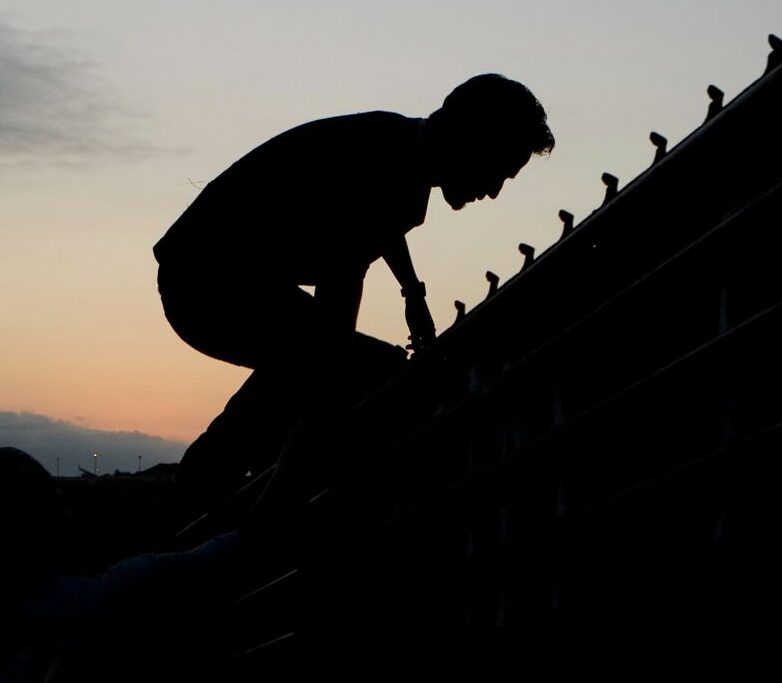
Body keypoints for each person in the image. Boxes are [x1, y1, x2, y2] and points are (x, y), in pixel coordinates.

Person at [156, 74, 555, 512]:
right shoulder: (382, 172)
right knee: (335, 370)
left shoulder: (396, 148)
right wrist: (331, 389)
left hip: (226, 276)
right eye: (498, 169)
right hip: (205, 282)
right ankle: (229, 504)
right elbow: (346, 270)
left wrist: (412, 293)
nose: (494, 190)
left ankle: (229, 490)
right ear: (471, 140)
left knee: (332, 371)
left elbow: (380, 226)